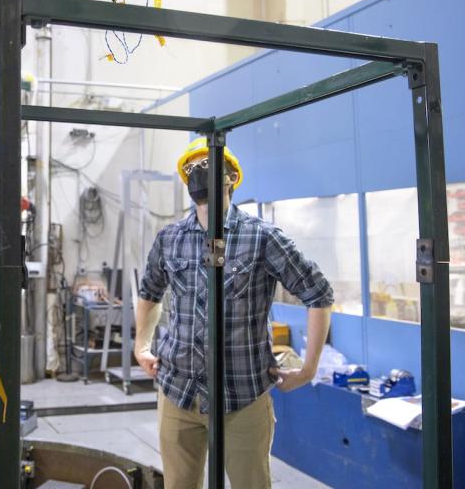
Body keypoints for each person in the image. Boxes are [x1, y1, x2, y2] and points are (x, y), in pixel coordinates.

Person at [133, 137, 333, 489]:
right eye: (192, 167)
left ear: (231, 178)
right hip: (178, 390)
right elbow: (150, 290)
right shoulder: (170, 238)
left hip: (242, 395)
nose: (200, 172)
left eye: (208, 165)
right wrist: (141, 345)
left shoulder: (263, 238)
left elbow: (319, 293)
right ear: (185, 180)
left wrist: (310, 368)